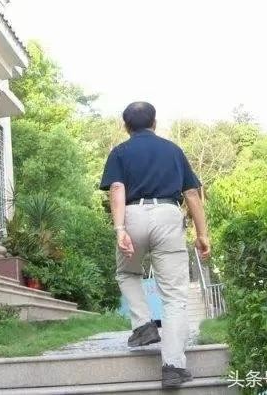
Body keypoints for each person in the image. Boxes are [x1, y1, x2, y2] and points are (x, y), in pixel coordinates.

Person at [100, 101, 211, 389]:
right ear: (154, 123)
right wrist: (202, 234)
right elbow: (192, 194)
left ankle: (143, 325)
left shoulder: (120, 151)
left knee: (127, 272)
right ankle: (173, 366)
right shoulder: (173, 150)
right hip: (168, 214)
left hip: (132, 214)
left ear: (126, 126)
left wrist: (120, 228)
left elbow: (117, 188)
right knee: (174, 296)